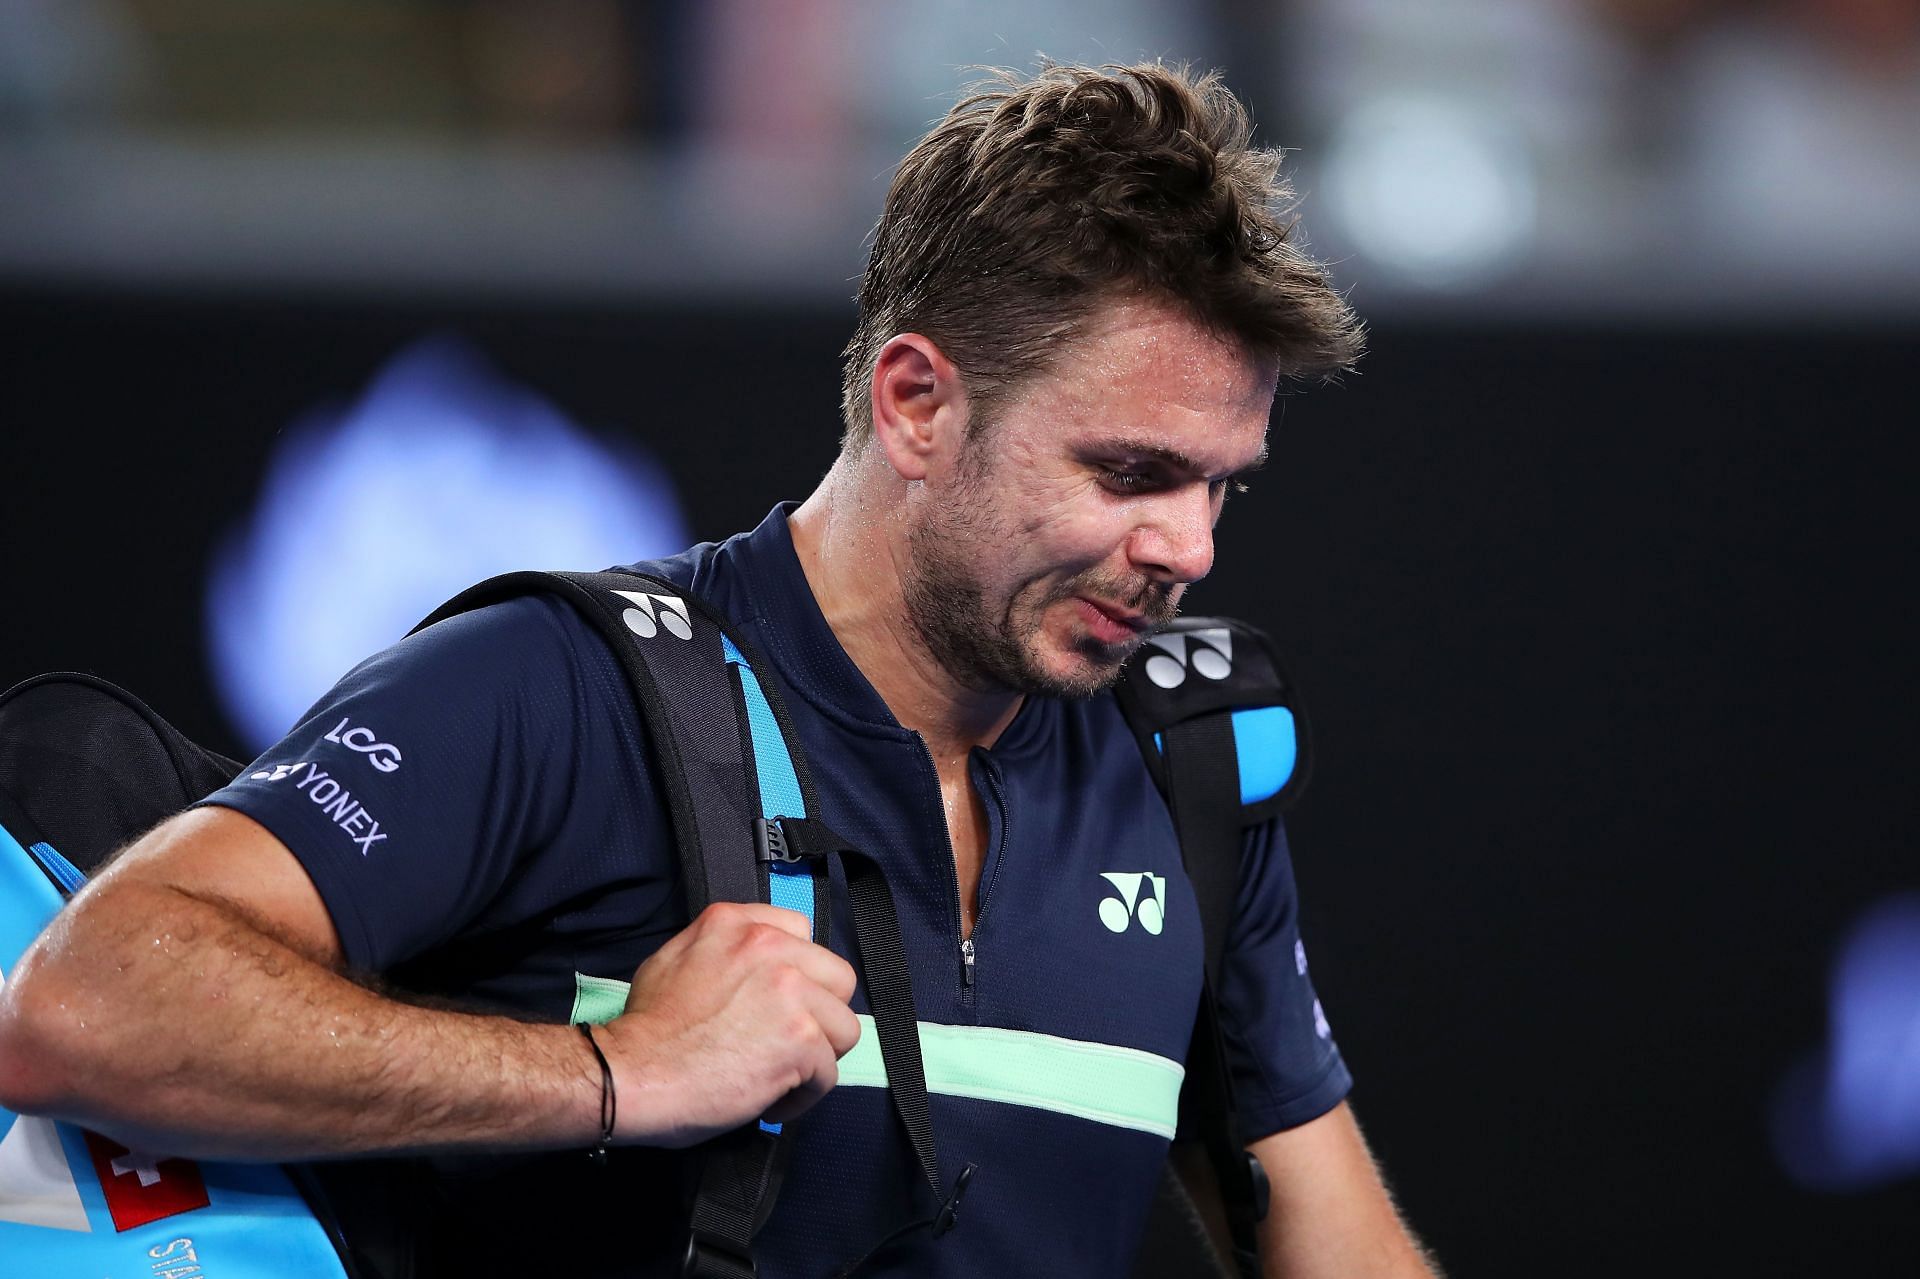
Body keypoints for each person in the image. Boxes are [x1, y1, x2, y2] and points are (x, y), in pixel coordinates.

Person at [0, 62, 1436, 1277]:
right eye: (1131, 472)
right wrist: (620, 1075)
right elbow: (83, 1005)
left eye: (1221, 489)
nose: (1184, 546)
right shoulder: (559, 691)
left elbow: (1335, 1241)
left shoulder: (1185, 765)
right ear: (920, 404)